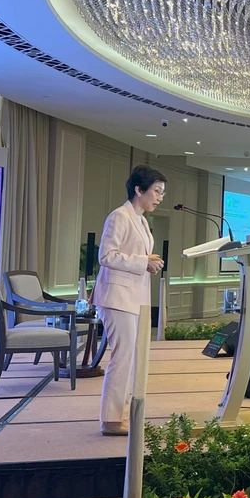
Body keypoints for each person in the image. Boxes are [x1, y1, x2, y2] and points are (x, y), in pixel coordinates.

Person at [92, 166, 166, 436]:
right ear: (138, 189)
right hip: (117, 296)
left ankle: (122, 414)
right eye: (156, 191)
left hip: (134, 297)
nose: (159, 198)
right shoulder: (119, 217)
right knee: (121, 358)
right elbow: (106, 256)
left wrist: (148, 262)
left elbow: (136, 256)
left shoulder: (142, 220)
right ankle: (110, 419)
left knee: (132, 358)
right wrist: (142, 262)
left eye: (162, 193)